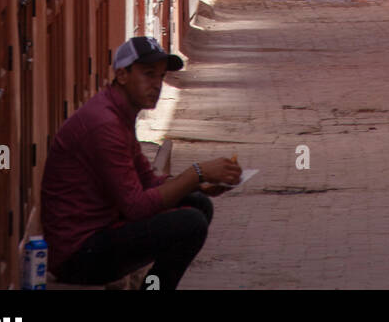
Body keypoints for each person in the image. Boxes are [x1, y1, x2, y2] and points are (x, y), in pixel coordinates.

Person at [41, 36, 242, 290]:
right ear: (122, 75)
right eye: (148, 75)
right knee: (190, 224)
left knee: (198, 204)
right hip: (78, 253)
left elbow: (148, 180)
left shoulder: (119, 113)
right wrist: (196, 173)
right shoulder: (104, 124)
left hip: (102, 231)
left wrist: (198, 185)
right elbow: (136, 206)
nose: (157, 85)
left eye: (160, 77)